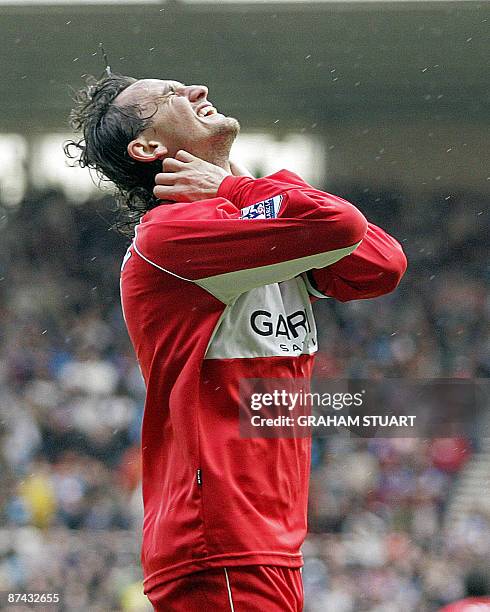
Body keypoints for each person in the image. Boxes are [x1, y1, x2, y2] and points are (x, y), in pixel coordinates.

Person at [65, 74, 407, 611]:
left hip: (262, 543)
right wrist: (237, 188)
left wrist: (238, 188)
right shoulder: (172, 235)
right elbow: (340, 223)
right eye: (170, 96)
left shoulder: (257, 232)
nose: (198, 89)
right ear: (148, 148)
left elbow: (384, 265)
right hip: (219, 544)